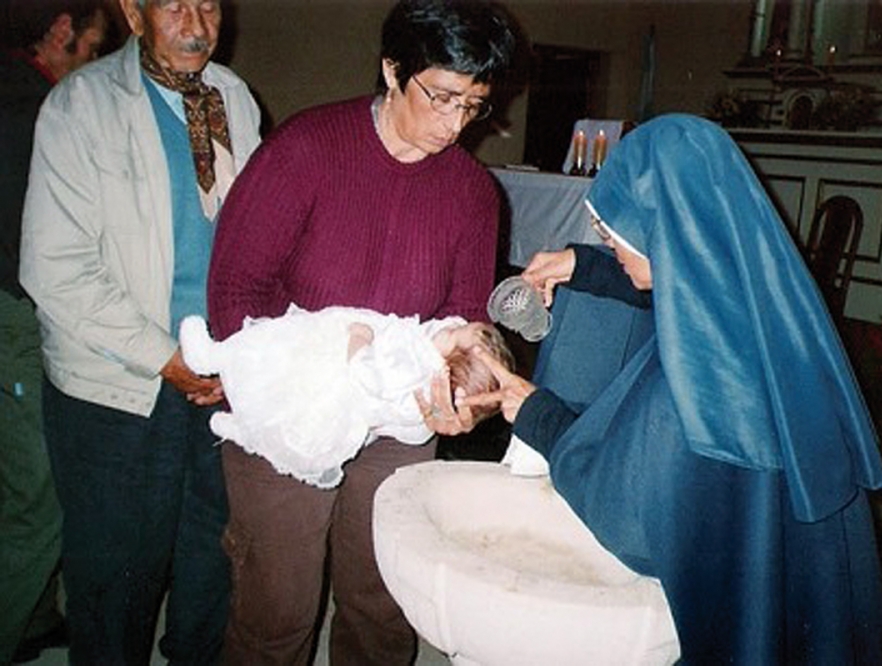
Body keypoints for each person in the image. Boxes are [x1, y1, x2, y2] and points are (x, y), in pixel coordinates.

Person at [465, 114, 882, 664]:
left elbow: (626, 511)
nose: (609, 243)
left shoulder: (696, 378)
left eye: (612, 234)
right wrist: (585, 266)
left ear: (661, 225)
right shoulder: (761, 290)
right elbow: (685, 280)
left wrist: (535, 412)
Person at [206, 0, 518, 662]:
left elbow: (467, 314)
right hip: (290, 414)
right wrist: (301, 382)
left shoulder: (472, 192)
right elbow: (234, 293)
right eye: (442, 98)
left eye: (473, 105)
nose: (455, 124)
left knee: (382, 607)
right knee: (276, 613)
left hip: (398, 416)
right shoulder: (305, 151)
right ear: (393, 69)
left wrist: (467, 391)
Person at [17, 0, 261, 662]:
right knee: (115, 580)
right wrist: (167, 358)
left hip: (219, 375)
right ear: (133, 11)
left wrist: (245, 350)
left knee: (213, 561)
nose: (196, 24)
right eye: (175, 4)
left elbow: (254, 235)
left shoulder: (234, 98)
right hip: (117, 387)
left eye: (207, 4)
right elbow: (54, 267)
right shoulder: (82, 105)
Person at [0, 1, 107, 663]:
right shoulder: (33, 110)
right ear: (62, 31)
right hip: (15, 317)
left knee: (21, 482)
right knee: (38, 500)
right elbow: (41, 251)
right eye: (92, 47)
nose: (90, 63)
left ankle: (36, 617)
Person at [180, 306, 514, 488]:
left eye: (455, 332)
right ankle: (241, 423)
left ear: (447, 369)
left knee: (276, 350)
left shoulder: (412, 372)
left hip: (333, 374)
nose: (450, 324)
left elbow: (365, 375)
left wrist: (360, 339)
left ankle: (213, 358)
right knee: (284, 410)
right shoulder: (432, 358)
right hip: (342, 405)